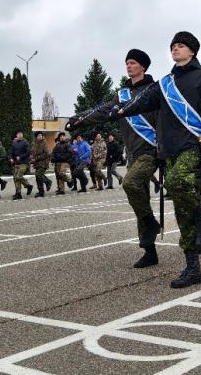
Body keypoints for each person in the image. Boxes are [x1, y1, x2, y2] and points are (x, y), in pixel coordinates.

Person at [117, 32, 201, 288]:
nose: (176, 49)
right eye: (173, 46)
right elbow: (142, 102)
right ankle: (192, 268)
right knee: (181, 209)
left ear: (193, 51)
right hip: (170, 150)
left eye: (181, 45)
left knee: (176, 184)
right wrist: (117, 111)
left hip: (193, 147)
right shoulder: (165, 83)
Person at [68, 49, 164, 268]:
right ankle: (150, 251)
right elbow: (101, 111)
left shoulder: (154, 89)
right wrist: (78, 121)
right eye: (127, 63)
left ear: (143, 66)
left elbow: (162, 119)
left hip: (151, 150)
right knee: (140, 195)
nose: (128, 66)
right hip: (132, 154)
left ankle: (157, 223)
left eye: (132, 63)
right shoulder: (121, 95)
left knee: (130, 183)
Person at [8, 131, 34, 200]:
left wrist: (21, 156)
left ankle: (28, 186)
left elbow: (28, 152)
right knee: (15, 178)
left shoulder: (25, 142)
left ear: (22, 135)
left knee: (18, 176)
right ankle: (18, 193)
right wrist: (11, 158)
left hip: (24, 163)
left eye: (21, 134)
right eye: (18, 134)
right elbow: (11, 152)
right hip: (16, 163)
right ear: (16, 135)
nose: (19, 135)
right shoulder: (14, 143)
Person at [30, 132, 53, 197]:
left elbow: (46, 154)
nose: (40, 136)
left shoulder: (44, 143)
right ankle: (41, 191)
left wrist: (36, 158)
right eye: (38, 136)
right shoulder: (34, 144)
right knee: (37, 177)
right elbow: (32, 152)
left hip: (44, 162)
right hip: (37, 163)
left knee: (38, 174)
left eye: (41, 135)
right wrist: (31, 158)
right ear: (36, 137)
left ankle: (48, 181)